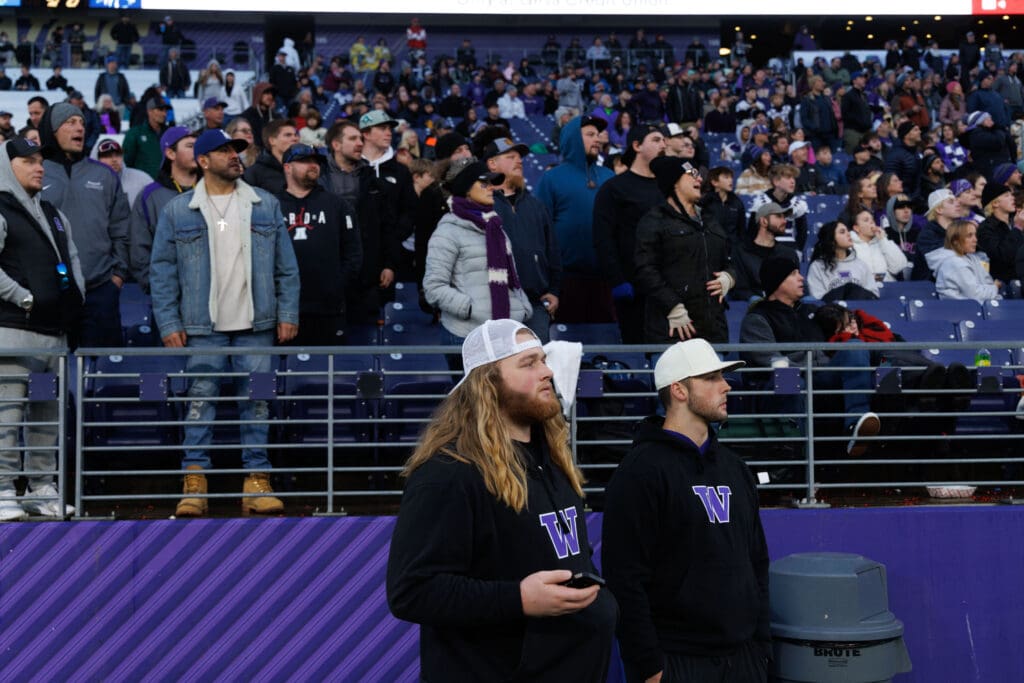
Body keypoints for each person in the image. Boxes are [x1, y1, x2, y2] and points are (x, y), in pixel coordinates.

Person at [387, 318, 617, 681]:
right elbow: (411, 591)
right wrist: (518, 599)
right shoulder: (449, 473)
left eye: (543, 360)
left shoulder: (554, 463)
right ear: (487, 384)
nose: (546, 372)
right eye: (528, 364)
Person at [150, 129, 299, 517]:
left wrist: (287, 313)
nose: (234, 155)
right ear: (202, 161)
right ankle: (194, 480)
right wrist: (168, 320)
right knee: (200, 402)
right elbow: (161, 272)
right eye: (223, 151)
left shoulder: (265, 204)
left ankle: (257, 479)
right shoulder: (177, 211)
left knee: (259, 402)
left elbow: (287, 267)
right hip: (202, 327)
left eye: (236, 149)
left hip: (258, 325)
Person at [602, 338, 769, 683]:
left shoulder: (736, 468)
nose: (726, 385)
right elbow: (624, 579)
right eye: (711, 378)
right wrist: (648, 666)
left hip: (744, 660)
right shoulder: (639, 471)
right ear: (678, 390)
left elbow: (757, 564)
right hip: (677, 661)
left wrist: (761, 647)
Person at [0, 137, 85, 521]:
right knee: (6, 415)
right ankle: (2, 489)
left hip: (54, 336)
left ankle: (40, 487)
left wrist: (75, 300)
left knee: (46, 418)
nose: (40, 167)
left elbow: (73, 260)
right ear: (7, 167)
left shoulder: (52, 212)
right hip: (12, 333)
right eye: (28, 161)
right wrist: (25, 299)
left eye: (40, 161)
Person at [740, 256, 881, 456]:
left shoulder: (812, 312)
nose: (801, 278)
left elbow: (835, 342)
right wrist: (804, 364)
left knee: (858, 349)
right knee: (789, 376)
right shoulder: (757, 318)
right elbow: (769, 360)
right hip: (780, 385)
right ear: (777, 282)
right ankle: (797, 458)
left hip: (820, 377)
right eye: (793, 274)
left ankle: (856, 426)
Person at [39, 103, 130, 348]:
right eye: (70, 122)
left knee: (103, 376)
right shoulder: (36, 172)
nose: (80, 127)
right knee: (53, 376)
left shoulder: (104, 174)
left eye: (81, 122)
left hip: (101, 289)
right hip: (50, 291)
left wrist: (118, 276)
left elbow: (122, 228)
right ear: (52, 129)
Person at [423, 158, 532, 347]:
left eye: (492, 183)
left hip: (505, 332)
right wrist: (471, 309)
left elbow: (512, 280)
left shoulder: (495, 227)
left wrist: (523, 308)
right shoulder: (447, 232)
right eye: (484, 182)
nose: (491, 187)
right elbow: (433, 287)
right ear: (465, 187)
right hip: (466, 335)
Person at [635, 157, 733, 344]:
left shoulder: (711, 219)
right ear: (674, 183)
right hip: (673, 331)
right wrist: (672, 306)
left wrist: (729, 277)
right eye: (691, 175)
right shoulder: (654, 221)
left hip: (713, 331)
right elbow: (645, 270)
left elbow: (729, 260)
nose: (699, 180)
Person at [275, 143, 361, 345]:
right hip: (283, 309)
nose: (313, 165)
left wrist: (336, 287)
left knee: (330, 373)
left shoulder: (337, 205)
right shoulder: (271, 205)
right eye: (305, 161)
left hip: (328, 309)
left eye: (316, 162)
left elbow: (353, 254)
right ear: (287, 167)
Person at [535, 115, 615, 323]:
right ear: (572, 138)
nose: (597, 139)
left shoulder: (608, 176)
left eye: (598, 135)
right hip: (565, 280)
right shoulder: (551, 179)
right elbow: (540, 230)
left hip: (605, 279)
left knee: (606, 343)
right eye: (590, 134)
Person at [592, 124, 666, 344]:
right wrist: (617, 281)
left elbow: (697, 175)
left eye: (664, 140)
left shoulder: (671, 186)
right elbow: (603, 238)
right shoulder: (614, 188)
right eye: (656, 140)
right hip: (633, 289)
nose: (663, 144)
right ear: (636, 145)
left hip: (669, 289)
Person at [485, 136, 562, 344]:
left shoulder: (536, 205)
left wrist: (554, 290)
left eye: (520, 158)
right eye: (510, 157)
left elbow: (552, 250)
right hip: (494, 303)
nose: (519, 162)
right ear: (492, 164)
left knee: (534, 366)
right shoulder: (482, 205)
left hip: (535, 304)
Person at [322, 119, 399, 326]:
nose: (359, 143)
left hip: (367, 275)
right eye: (352, 138)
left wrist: (389, 264)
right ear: (336, 145)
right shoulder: (319, 179)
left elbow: (387, 226)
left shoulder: (373, 181)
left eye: (360, 138)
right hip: (326, 274)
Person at [129, 126, 196, 293]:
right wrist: (156, 288)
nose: (198, 150)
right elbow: (139, 248)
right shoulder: (149, 196)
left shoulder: (212, 189)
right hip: (167, 297)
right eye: (190, 146)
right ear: (171, 154)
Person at [359, 110, 417, 282]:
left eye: (390, 128)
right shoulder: (351, 168)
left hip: (391, 256)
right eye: (382, 128)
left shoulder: (401, 171)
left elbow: (410, 211)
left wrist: (393, 240)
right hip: (354, 254)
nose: (388, 132)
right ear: (366, 134)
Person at [731, 202, 800, 301]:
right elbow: (740, 289)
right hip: (753, 310)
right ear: (764, 221)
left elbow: (795, 287)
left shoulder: (789, 254)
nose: (784, 221)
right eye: (778, 216)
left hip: (784, 310)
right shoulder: (741, 252)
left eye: (784, 217)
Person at [806, 221, 878, 301]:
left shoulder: (861, 264)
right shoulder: (817, 266)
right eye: (842, 232)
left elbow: (873, 295)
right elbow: (818, 299)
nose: (848, 234)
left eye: (848, 231)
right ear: (831, 240)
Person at [934, 219, 1001, 303]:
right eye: (969, 236)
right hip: (960, 311)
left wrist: (992, 288)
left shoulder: (972, 258)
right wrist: (995, 288)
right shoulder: (954, 263)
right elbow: (975, 295)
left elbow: (987, 282)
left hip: (978, 308)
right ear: (955, 241)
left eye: (975, 235)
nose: (975, 240)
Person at [748, 164, 810, 251]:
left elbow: (802, 232)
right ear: (776, 181)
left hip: (789, 250)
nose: (793, 181)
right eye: (788, 178)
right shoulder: (760, 202)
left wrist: (798, 251)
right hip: (765, 250)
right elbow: (752, 231)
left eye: (793, 178)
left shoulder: (798, 204)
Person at [977, 183, 1023, 285]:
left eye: (1012, 195)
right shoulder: (985, 228)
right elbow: (1002, 256)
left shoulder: (1015, 222)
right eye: (1007, 195)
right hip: (1004, 285)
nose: (1012, 198)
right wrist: (1018, 228)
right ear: (995, 203)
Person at [849, 208, 909, 283]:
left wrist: (883, 240)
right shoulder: (850, 246)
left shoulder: (884, 242)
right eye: (866, 220)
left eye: (872, 220)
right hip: (861, 290)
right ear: (856, 228)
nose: (871, 222)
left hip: (888, 288)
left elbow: (899, 266)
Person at [914, 188, 963, 279]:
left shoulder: (960, 230)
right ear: (939, 209)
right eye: (951, 202)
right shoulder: (927, 235)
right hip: (929, 288)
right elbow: (943, 263)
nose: (958, 203)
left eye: (956, 200)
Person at [242, 118, 298, 195]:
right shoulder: (255, 173)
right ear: (272, 141)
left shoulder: (303, 167)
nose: (295, 138)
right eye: (288, 135)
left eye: (295, 135)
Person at [93, 138, 150, 207]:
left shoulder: (142, 180)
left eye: (118, 155)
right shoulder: (86, 184)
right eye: (107, 155)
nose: (114, 159)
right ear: (96, 159)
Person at [123, 97, 169, 180]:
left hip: (167, 186)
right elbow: (126, 161)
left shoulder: (170, 133)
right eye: (160, 110)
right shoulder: (135, 133)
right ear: (149, 111)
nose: (164, 114)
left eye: (165, 110)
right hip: (142, 185)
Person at [701, 165, 747, 247]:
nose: (731, 180)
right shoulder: (705, 202)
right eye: (726, 177)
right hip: (711, 248)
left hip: (733, 249)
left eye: (731, 177)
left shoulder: (737, 202)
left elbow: (741, 231)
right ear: (714, 182)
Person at [240, 82, 280, 152]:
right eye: (266, 93)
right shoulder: (246, 116)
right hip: (252, 154)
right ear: (258, 94)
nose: (270, 97)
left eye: (272, 94)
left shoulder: (277, 117)